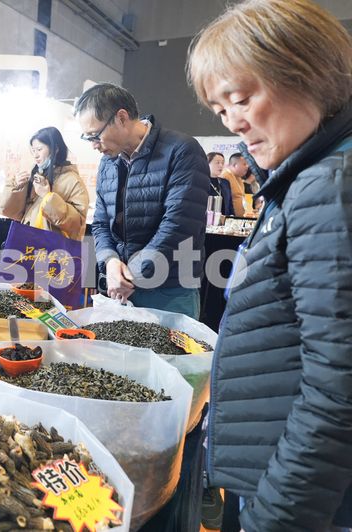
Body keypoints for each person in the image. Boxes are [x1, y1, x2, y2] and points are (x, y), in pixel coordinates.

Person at [188, 0, 352, 530]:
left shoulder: (328, 187)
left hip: (297, 497)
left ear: (309, 73)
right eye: (220, 110)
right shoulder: (304, 174)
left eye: (241, 99)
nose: (234, 122)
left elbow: (338, 390)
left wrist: (275, 517)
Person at [74, 83, 210, 319]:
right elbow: (101, 223)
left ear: (121, 118)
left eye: (95, 135)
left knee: (172, 345)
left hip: (169, 288)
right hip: (120, 285)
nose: (94, 145)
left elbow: (179, 225)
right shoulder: (108, 162)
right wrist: (110, 261)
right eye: (88, 138)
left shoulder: (181, 151)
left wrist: (133, 275)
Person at [0, 126, 89, 240]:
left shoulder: (73, 181)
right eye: (33, 150)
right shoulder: (37, 175)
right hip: (29, 244)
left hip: (53, 248)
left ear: (55, 149)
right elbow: (12, 213)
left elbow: (77, 224)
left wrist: (48, 197)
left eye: (39, 149)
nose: (35, 155)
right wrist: (16, 187)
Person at [207, 152, 234, 216]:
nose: (221, 165)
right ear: (207, 164)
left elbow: (230, 205)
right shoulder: (201, 181)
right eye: (217, 162)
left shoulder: (225, 182)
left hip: (223, 219)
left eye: (222, 163)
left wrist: (232, 216)